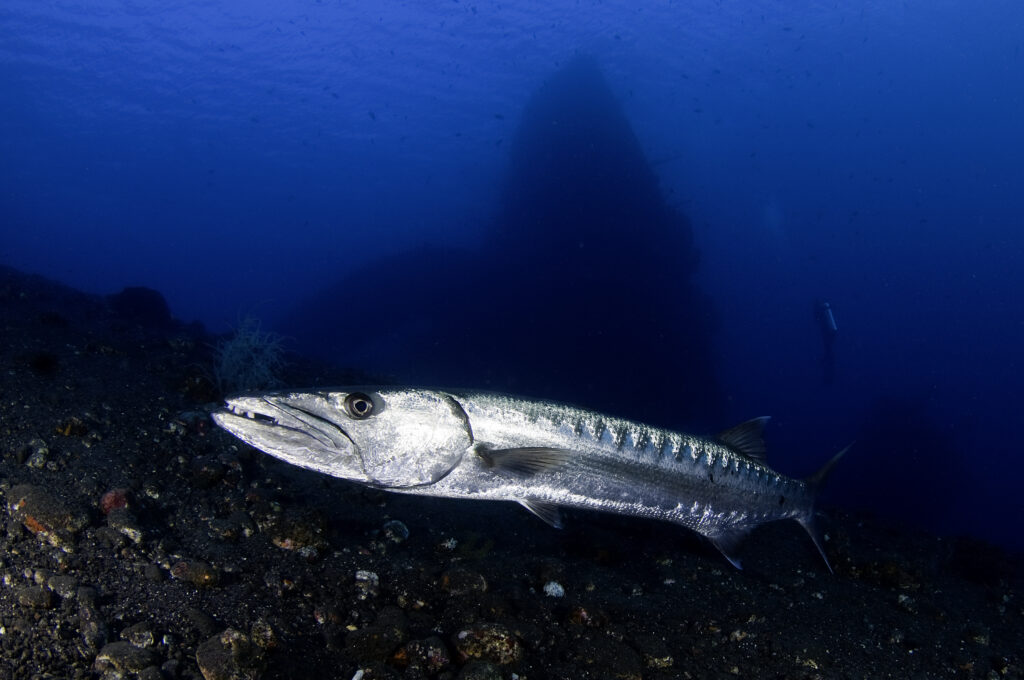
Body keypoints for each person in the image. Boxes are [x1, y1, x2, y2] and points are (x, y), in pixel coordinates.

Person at [814, 300, 838, 385]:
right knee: (829, 351)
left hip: (827, 334)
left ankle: (829, 377)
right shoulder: (825, 311)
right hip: (830, 333)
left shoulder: (821, 311)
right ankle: (829, 374)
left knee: (828, 352)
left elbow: (816, 319)